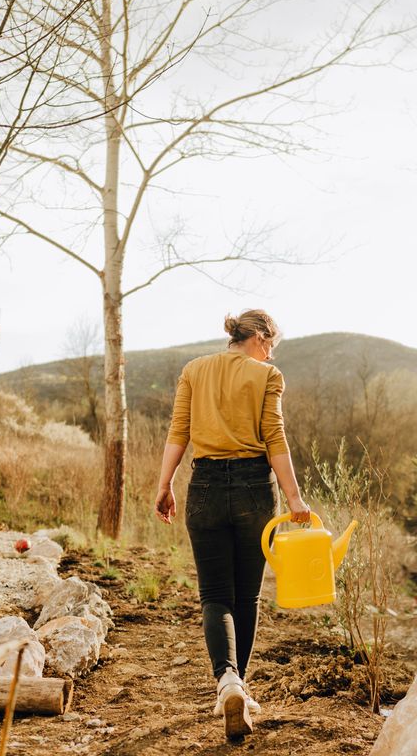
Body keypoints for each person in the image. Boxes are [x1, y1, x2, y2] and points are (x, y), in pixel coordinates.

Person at [154, 309, 312, 740]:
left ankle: (228, 683)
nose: (270, 354)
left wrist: (164, 484)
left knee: (215, 596)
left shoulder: (194, 370)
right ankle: (235, 685)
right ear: (259, 337)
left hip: (203, 485)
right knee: (247, 596)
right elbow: (275, 436)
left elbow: (179, 431)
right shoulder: (268, 376)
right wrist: (295, 498)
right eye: (271, 345)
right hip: (254, 491)